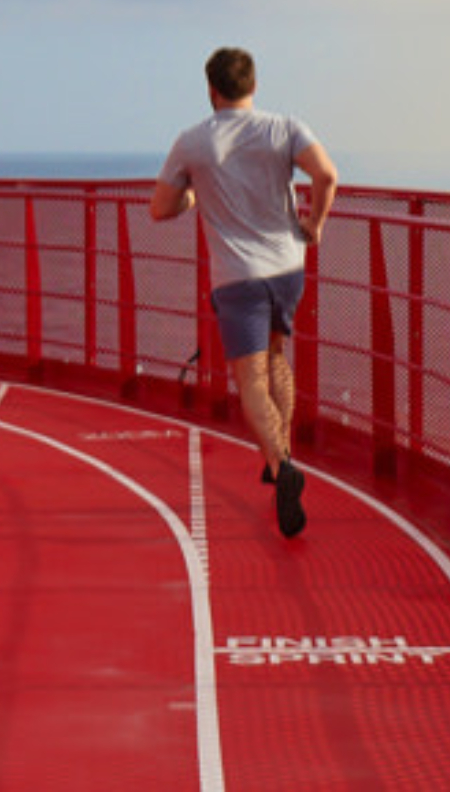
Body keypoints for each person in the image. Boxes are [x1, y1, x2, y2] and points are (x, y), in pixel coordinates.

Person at [151, 47, 338, 538]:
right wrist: (314, 223)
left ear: (212, 90)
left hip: (239, 275)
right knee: (277, 357)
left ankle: (279, 467)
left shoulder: (193, 142)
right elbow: (326, 174)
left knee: (249, 376)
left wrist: (192, 194)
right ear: (253, 85)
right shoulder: (284, 128)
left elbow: (160, 208)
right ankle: (284, 452)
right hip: (288, 267)